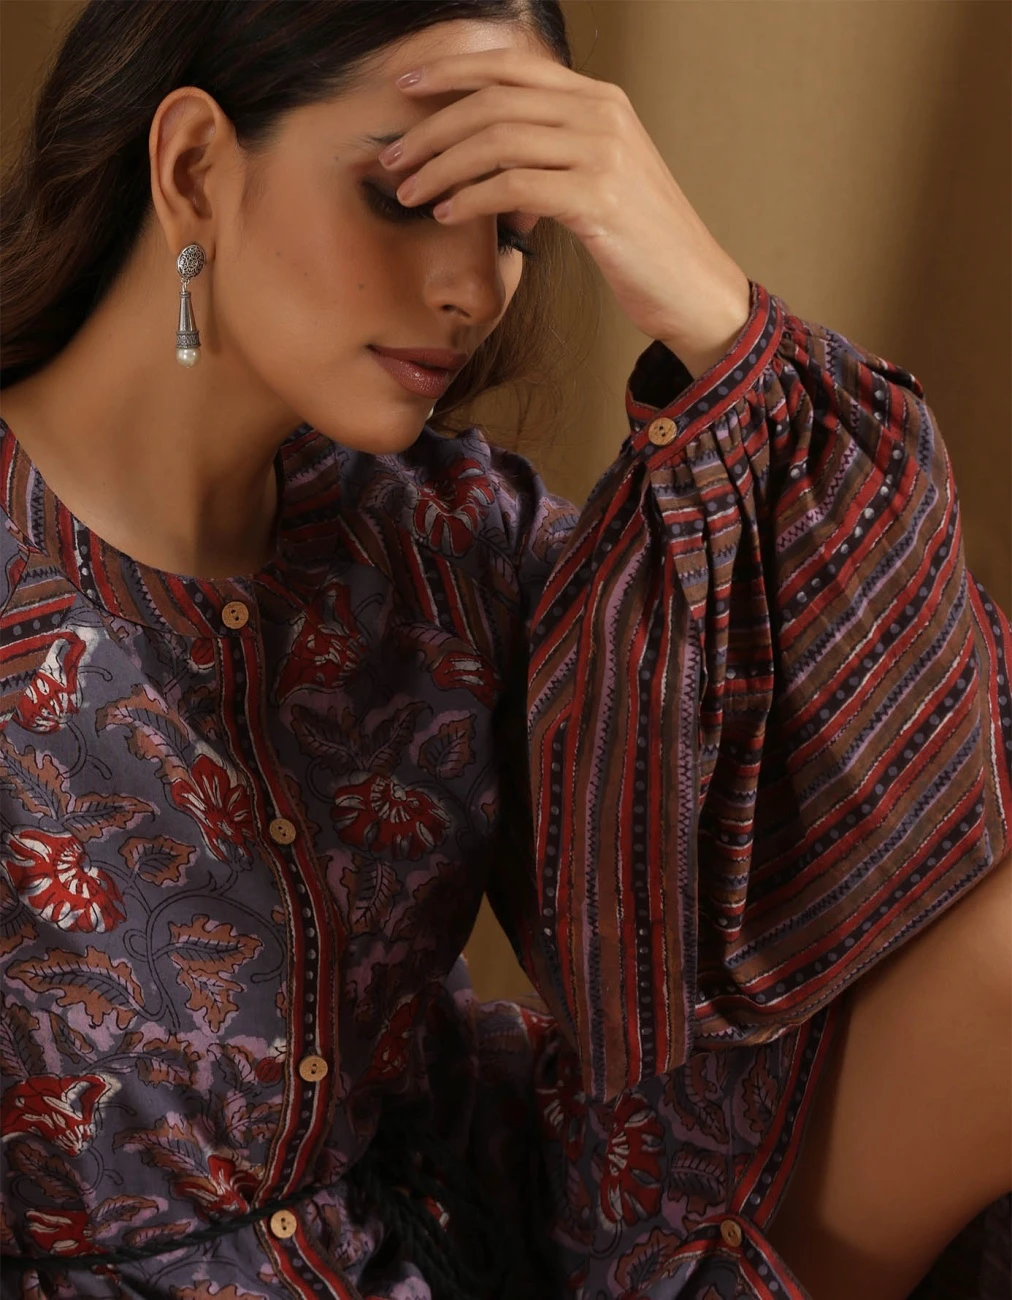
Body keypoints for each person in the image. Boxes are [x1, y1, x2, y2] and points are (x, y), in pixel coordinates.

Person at [0, 3, 1008, 1298]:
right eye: (410, 196)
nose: (473, 290)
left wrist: (717, 322)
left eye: (516, 231)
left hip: (478, 1225)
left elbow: (913, 754)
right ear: (195, 167)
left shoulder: (446, 535)